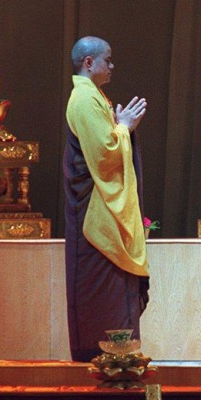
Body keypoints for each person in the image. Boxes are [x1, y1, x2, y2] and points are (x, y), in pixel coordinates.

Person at [63, 36, 149, 362]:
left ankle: (120, 357)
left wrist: (119, 125)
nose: (112, 67)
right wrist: (123, 128)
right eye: (107, 60)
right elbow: (104, 156)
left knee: (114, 290)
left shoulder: (93, 96)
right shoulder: (83, 100)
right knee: (104, 290)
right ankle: (105, 359)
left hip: (99, 206)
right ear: (89, 63)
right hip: (94, 213)